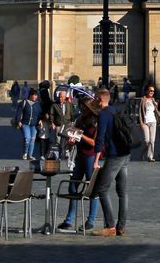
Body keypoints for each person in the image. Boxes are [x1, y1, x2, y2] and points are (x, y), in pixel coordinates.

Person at [57, 98, 101, 233]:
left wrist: (81, 136)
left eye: (84, 107)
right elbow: (74, 140)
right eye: (81, 106)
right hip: (80, 155)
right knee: (72, 186)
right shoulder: (80, 119)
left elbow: (94, 143)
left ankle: (91, 220)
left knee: (92, 188)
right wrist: (71, 140)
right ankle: (69, 220)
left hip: (90, 156)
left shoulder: (96, 121)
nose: (81, 109)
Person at [90, 87, 129, 237]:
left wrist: (96, 160)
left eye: (95, 98)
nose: (94, 101)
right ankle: (121, 226)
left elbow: (99, 139)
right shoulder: (114, 111)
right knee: (123, 192)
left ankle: (110, 226)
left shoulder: (104, 114)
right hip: (125, 154)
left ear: (100, 100)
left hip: (114, 156)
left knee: (102, 189)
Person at [139, 84, 160, 161]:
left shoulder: (153, 100)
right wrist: (141, 123)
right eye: (150, 90)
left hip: (153, 121)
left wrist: (156, 105)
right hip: (145, 122)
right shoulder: (143, 100)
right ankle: (142, 153)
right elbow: (140, 112)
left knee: (152, 141)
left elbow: (156, 111)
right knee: (147, 141)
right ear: (147, 91)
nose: (152, 92)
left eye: (153, 91)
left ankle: (150, 157)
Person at [18, 87, 41, 160]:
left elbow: (40, 113)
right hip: (25, 124)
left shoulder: (37, 104)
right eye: (34, 95)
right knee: (27, 138)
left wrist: (40, 120)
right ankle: (25, 153)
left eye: (36, 95)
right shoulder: (24, 103)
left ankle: (30, 155)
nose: (35, 97)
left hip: (34, 125)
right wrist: (19, 121)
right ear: (30, 95)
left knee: (33, 139)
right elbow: (19, 112)